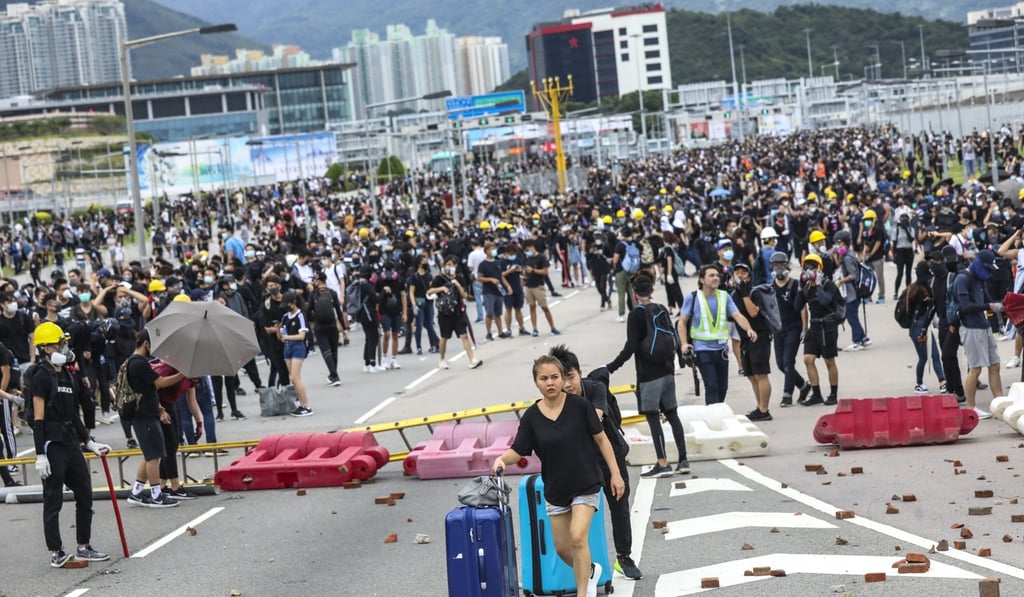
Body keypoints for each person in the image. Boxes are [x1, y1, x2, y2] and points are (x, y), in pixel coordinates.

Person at [492, 355, 625, 597]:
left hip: (586, 482)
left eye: (555, 377)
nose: (550, 382)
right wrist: (502, 459)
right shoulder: (532, 416)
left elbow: (601, 439)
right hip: (556, 489)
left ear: (563, 379)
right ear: (536, 382)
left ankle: (584, 593)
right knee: (564, 549)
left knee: (577, 536)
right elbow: (518, 450)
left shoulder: (580, 406)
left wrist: (615, 474)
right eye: (544, 378)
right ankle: (590, 570)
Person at [549, 345, 641, 581]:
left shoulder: (595, 388)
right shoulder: (556, 400)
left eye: (571, 377)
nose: (567, 384)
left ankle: (624, 557)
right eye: (563, 378)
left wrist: (615, 473)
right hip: (581, 460)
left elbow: (597, 414)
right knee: (575, 511)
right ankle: (581, 562)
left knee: (619, 504)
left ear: (579, 372)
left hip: (610, 454)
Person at [28, 321, 111, 567]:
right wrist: (40, 453)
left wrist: (89, 441)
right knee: (53, 499)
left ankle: (84, 545)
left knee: (85, 492)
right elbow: (39, 418)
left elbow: (73, 414)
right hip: (52, 444)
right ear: (46, 348)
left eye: (64, 342)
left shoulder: (66, 373)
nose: (64, 347)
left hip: (71, 441)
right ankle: (56, 551)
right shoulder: (40, 375)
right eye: (59, 343)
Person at [606, 274, 689, 477]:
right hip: (668, 371)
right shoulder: (661, 309)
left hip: (648, 374)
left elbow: (631, 346)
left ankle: (663, 462)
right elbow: (674, 335)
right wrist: (680, 359)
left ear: (634, 294)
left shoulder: (636, 315)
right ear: (651, 291)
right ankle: (684, 460)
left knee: (653, 418)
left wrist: (611, 367)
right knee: (672, 415)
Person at [678, 265, 758, 406]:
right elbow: (682, 322)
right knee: (712, 385)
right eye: (711, 275)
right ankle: (713, 416)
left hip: (721, 349)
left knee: (722, 387)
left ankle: (717, 412)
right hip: (702, 349)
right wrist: (684, 343)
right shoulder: (693, 297)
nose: (715, 278)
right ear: (702, 280)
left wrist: (749, 329)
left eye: (717, 275)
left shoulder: (724, 296)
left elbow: (737, 315)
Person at [124, 329, 185, 508]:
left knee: (150, 454)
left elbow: (147, 390)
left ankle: (136, 492)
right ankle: (156, 495)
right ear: (146, 344)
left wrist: (158, 408)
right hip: (144, 416)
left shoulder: (135, 362)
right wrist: (182, 373)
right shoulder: (138, 364)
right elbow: (161, 383)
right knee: (154, 456)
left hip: (146, 412)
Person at [952, 250, 1003, 419]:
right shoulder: (963, 279)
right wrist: (989, 307)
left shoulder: (980, 279)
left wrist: (1000, 304)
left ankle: (1000, 403)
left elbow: (987, 300)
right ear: (979, 263)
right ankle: (971, 407)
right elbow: (965, 306)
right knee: (975, 368)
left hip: (984, 325)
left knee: (995, 365)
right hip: (970, 326)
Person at [795, 254, 844, 406]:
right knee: (808, 359)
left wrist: (818, 284)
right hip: (814, 326)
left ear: (819, 269)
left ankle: (833, 394)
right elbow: (797, 306)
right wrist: (799, 287)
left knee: (829, 361)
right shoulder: (806, 286)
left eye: (813, 266)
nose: (809, 269)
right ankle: (816, 394)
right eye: (806, 266)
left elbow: (824, 301)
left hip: (828, 326)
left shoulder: (828, 284)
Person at [731, 263, 773, 421]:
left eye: (744, 273)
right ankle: (759, 406)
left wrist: (744, 294)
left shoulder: (754, 292)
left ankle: (764, 409)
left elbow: (753, 313)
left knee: (761, 373)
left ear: (749, 276)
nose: (740, 275)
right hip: (745, 339)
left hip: (760, 337)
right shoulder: (734, 294)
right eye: (737, 272)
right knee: (751, 375)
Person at [769, 251, 812, 407]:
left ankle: (787, 395)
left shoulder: (794, 285)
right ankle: (803, 385)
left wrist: (804, 329)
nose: (779, 268)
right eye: (776, 265)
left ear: (787, 265)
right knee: (780, 364)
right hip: (778, 329)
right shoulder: (770, 287)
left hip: (793, 327)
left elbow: (802, 307)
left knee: (788, 362)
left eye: (781, 265)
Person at [428, 256, 482, 370]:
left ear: (455, 266)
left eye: (451, 264)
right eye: (447, 264)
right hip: (444, 313)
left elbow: (464, 295)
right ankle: (442, 359)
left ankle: (472, 359)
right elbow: (429, 291)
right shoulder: (439, 278)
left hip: (458, 312)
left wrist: (457, 285)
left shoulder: (460, 278)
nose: (449, 267)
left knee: (464, 335)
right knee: (444, 337)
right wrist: (441, 288)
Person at [904, 262, 946, 393]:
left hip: (918, 326)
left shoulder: (913, 288)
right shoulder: (921, 290)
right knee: (929, 355)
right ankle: (922, 383)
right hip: (920, 326)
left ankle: (940, 381)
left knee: (930, 355)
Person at [834, 230, 871, 351]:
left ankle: (857, 341)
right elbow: (838, 264)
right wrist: (837, 255)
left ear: (846, 243)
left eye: (840, 243)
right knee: (853, 316)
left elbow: (853, 275)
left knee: (851, 317)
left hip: (852, 293)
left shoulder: (848, 258)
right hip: (851, 293)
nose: (838, 246)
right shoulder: (846, 256)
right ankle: (864, 339)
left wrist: (841, 281)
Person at [279, 291, 313, 416]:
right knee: (292, 378)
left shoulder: (300, 315)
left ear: (293, 302)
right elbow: (281, 335)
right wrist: (277, 329)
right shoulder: (285, 317)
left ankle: (306, 406)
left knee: (295, 377)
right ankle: (300, 403)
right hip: (287, 348)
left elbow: (302, 336)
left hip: (297, 347)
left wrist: (287, 337)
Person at [524, 239, 562, 336]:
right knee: (532, 307)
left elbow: (545, 272)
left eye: (528, 249)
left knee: (545, 307)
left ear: (532, 247)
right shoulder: (527, 258)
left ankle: (552, 327)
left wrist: (533, 270)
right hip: (528, 285)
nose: (527, 251)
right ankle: (535, 329)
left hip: (538, 285)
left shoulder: (541, 258)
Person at [376, 260, 407, 370]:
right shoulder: (380, 281)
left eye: (390, 270)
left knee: (395, 335)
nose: (389, 272)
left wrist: (405, 312)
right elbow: (377, 298)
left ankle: (394, 359)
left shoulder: (399, 280)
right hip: (384, 311)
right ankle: (384, 359)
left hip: (396, 310)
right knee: (387, 334)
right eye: (387, 270)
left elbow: (403, 296)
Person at [476, 241, 509, 340]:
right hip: (488, 291)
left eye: (494, 248)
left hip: (498, 290)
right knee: (489, 313)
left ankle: (500, 331)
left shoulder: (498, 262)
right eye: (491, 249)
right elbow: (479, 278)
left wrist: (507, 286)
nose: (493, 251)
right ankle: (489, 332)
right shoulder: (483, 264)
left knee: (498, 313)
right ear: (486, 251)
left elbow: (501, 276)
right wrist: (490, 279)